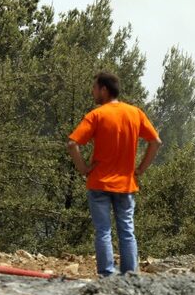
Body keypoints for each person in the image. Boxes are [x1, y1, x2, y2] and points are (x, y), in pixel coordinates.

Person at [67, 72, 161, 277]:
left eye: (94, 88)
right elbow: (156, 142)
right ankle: (130, 275)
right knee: (127, 231)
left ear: (104, 90)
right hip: (126, 184)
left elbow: (72, 143)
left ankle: (107, 275)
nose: (92, 92)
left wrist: (83, 168)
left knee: (103, 231)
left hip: (99, 183)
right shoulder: (135, 113)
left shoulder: (97, 115)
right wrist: (140, 169)